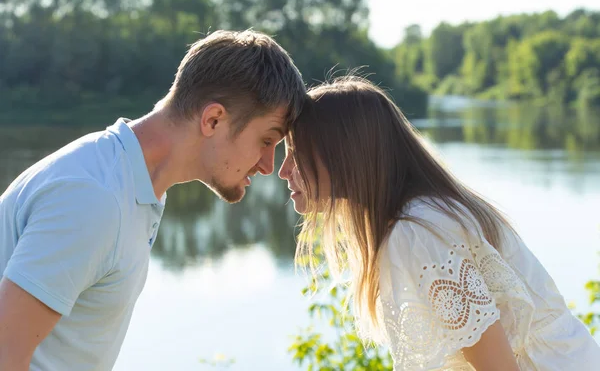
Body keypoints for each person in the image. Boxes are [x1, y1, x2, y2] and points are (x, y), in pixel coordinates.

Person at [0, 29, 306, 370]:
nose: (268, 165)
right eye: (266, 140)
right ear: (213, 119)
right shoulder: (94, 197)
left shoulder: (132, 185)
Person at [278, 75, 600, 370]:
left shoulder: (419, 230)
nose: (284, 169)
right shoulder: (420, 218)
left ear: (342, 155)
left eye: (296, 152)